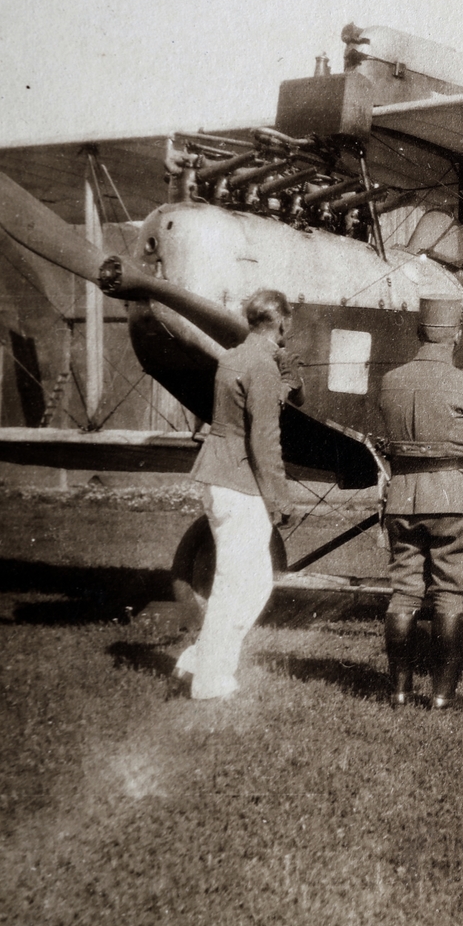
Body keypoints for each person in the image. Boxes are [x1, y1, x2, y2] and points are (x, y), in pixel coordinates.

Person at [378, 296, 463, 710]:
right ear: (456, 334)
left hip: (402, 496)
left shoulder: (390, 381)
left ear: (419, 331)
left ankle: (398, 691)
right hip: (454, 497)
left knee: (404, 592)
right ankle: (441, 696)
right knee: (450, 594)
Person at [174, 288, 295, 701]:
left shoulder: (233, 358)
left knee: (255, 581)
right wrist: (279, 498)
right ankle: (210, 679)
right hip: (240, 483)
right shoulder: (261, 366)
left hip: (217, 475)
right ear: (281, 322)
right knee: (235, 583)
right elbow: (264, 440)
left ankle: (202, 656)